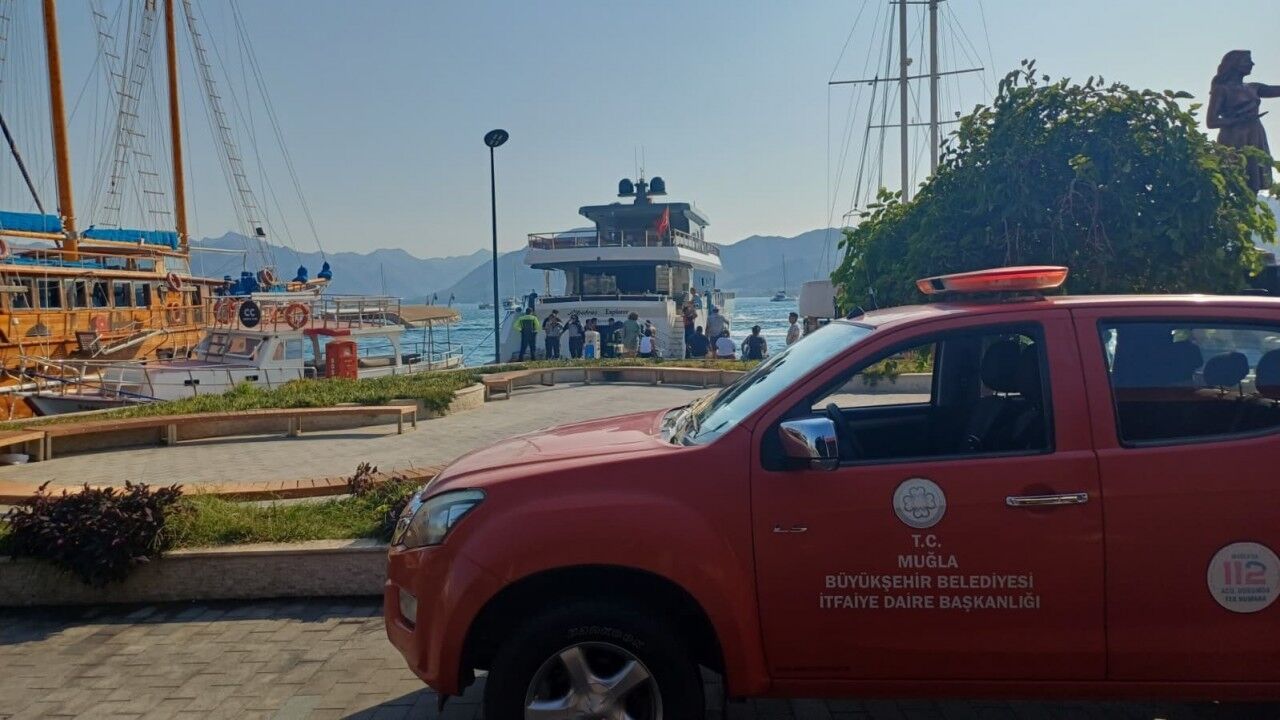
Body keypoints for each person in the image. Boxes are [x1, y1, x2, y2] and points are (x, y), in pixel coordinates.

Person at [1207, 50, 1279, 192]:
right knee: (1233, 178)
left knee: (1253, 181)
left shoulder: (1253, 87)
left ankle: (1251, 204)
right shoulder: (1222, 90)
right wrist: (1239, 120)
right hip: (1234, 137)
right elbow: (1211, 122)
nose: (1252, 64)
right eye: (1247, 61)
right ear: (1234, 64)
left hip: (1255, 135)